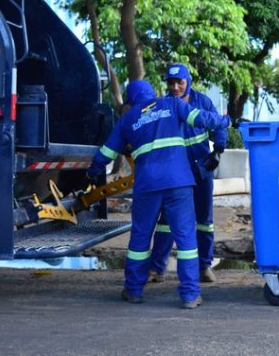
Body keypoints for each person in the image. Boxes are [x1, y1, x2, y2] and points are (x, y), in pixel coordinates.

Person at [85, 79, 231, 309]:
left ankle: (133, 290)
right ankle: (190, 295)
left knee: (140, 238)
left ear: (131, 100)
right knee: (186, 240)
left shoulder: (128, 120)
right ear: (153, 93)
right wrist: (226, 120)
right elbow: (201, 118)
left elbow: (107, 152)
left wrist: (92, 172)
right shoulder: (172, 104)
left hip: (147, 186)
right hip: (179, 183)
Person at [149, 64, 227, 284]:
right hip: (175, 173)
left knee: (205, 221)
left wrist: (218, 150)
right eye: (171, 83)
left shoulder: (203, 101)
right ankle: (157, 269)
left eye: (179, 83)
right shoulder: (163, 106)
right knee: (167, 221)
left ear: (188, 82)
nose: (175, 87)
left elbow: (218, 126)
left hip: (202, 169)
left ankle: (204, 267)